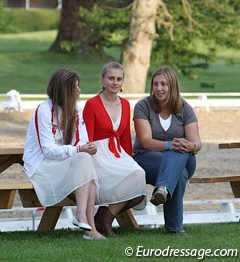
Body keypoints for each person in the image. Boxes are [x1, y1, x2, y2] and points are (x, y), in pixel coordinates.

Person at [23, 69, 105, 240]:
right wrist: (79, 150)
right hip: (43, 166)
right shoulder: (44, 111)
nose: (79, 90)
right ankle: (87, 225)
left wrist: (88, 147)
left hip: (67, 162)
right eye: (76, 87)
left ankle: (85, 221)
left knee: (86, 161)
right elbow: (48, 150)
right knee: (84, 161)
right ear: (65, 90)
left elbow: (82, 140)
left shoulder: (76, 110)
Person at [133, 66, 201, 235]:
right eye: (155, 84)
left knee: (181, 150)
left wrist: (189, 146)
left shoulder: (185, 108)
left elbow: (197, 143)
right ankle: (174, 228)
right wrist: (171, 145)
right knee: (180, 173)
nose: (159, 88)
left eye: (164, 84)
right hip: (146, 159)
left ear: (172, 86)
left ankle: (163, 187)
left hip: (183, 159)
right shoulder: (143, 106)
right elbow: (146, 142)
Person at [83, 62, 146, 236]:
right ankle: (103, 219)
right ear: (102, 79)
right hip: (97, 154)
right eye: (111, 78)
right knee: (121, 179)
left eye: (119, 79)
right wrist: (87, 161)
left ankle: (105, 216)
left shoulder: (125, 104)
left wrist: (129, 159)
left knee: (138, 175)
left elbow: (125, 136)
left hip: (118, 153)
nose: (115, 82)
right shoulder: (92, 104)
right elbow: (86, 137)